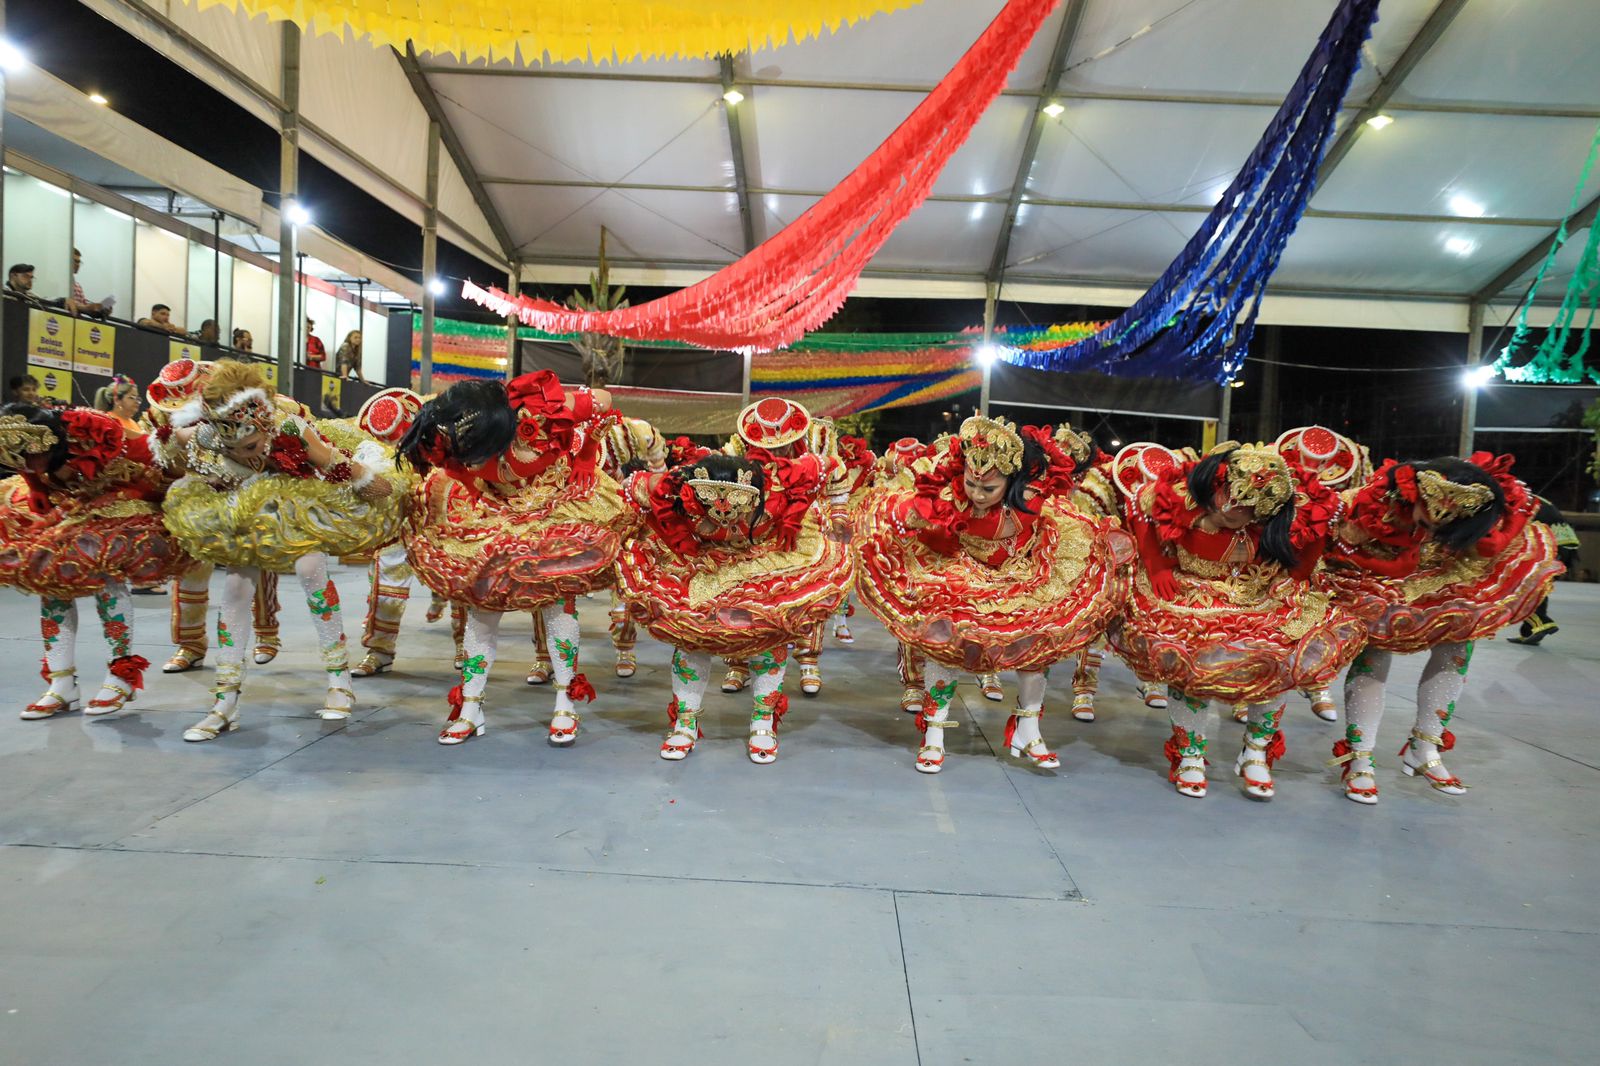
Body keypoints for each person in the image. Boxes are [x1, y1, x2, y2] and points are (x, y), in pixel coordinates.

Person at [855, 415, 1131, 775]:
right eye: (971, 483)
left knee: (1037, 643)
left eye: (988, 488)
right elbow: (917, 522)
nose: (977, 494)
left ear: (1012, 482)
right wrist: (924, 521)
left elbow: (1052, 514)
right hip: (959, 572)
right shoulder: (948, 499)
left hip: (1022, 574)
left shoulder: (1032, 499)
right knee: (946, 644)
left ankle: (1029, 727)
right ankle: (934, 733)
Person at [152, 359, 402, 741]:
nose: (244, 453)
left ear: (265, 426)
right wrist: (169, 444)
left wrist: (374, 483)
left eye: (251, 446)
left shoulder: (289, 427)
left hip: (297, 508)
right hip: (242, 514)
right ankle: (225, 700)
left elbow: (333, 462)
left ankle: (339, 680)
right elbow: (172, 444)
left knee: (310, 569)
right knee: (235, 588)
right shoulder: (206, 435)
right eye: (233, 448)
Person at [1113, 441, 1357, 800]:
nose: (1231, 509)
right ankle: (1191, 754)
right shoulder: (1180, 495)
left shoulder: (1293, 510)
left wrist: (1298, 577)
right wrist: (1157, 565)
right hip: (1191, 596)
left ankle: (1256, 751)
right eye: (1229, 496)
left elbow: (1321, 525)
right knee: (1189, 669)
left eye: (1247, 507)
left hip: (1258, 594)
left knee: (1277, 666)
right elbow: (1139, 509)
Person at [398, 371, 630, 747]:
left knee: (557, 604)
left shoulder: (540, 412)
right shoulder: (451, 434)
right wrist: (473, 489)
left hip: (555, 505)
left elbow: (602, 400)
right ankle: (470, 707)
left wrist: (587, 455)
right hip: (494, 510)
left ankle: (565, 701)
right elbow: (453, 468)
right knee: (482, 607)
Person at [620, 398, 852, 764]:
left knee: (769, 634)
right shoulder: (702, 475)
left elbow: (834, 469)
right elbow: (636, 487)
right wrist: (645, 525)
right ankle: (686, 722)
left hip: (767, 560)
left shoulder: (794, 473)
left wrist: (838, 514)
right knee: (692, 637)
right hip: (707, 563)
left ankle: (762, 723)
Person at [1332, 455, 1563, 804]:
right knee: (1376, 647)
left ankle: (1425, 748)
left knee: (1457, 643)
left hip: (1450, 571)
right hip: (1381, 576)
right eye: (1430, 514)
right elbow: (1341, 542)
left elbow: (1493, 543)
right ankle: (1360, 757)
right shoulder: (1373, 502)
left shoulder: (1486, 511)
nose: (1437, 521)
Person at [0, 403, 186, 719]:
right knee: (51, 579)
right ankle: (61, 683)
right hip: (73, 501)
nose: (28, 463)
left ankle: (121, 675)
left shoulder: (95, 431)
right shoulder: (30, 454)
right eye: (19, 458)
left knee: (108, 572)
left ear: (50, 440)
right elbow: (29, 467)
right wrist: (36, 487)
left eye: (31, 454)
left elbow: (148, 458)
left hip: (124, 492)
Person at [1507, 498, 1580, 646]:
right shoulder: (1536, 499)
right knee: (1538, 587)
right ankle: (1529, 631)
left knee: (1517, 586)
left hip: (1548, 545)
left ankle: (1541, 622)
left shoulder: (1515, 498)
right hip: (1566, 545)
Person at [65, 248, 112, 318]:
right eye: (75, 261)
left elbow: (84, 306)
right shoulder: (60, 282)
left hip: (76, 321)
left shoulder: (78, 286)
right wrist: (87, 307)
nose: (78, 265)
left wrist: (100, 309)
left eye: (79, 262)